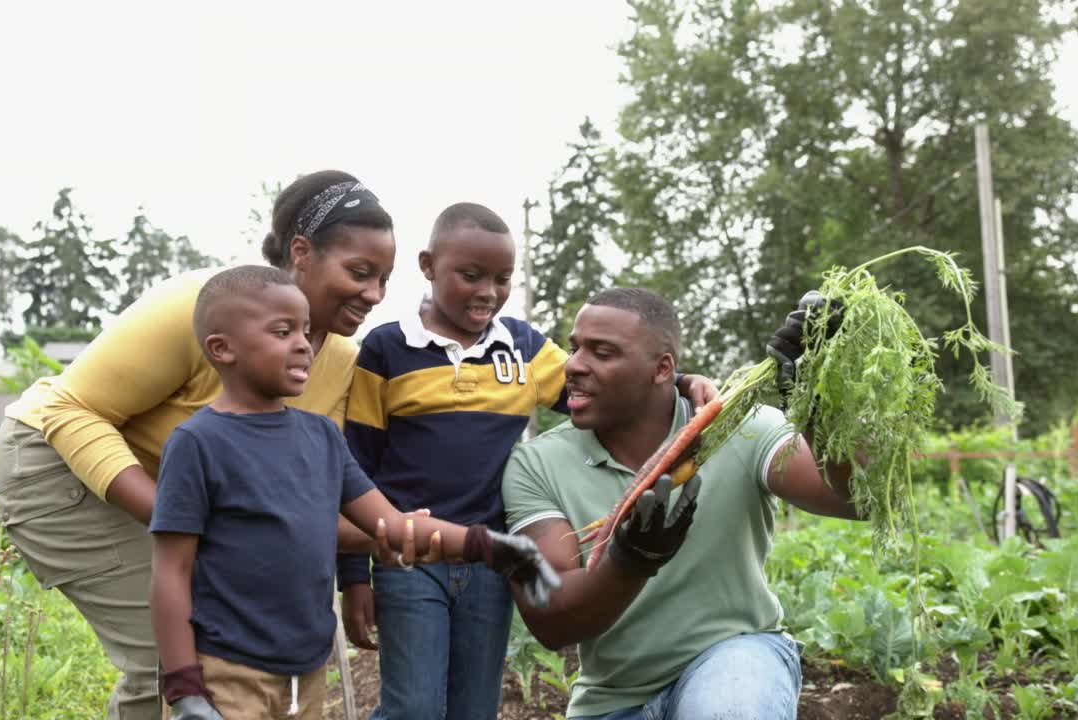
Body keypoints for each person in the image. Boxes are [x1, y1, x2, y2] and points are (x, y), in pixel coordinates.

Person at [0, 170, 422, 720]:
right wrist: (189, 519)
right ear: (302, 251)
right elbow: (70, 409)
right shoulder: (200, 308)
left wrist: (382, 544)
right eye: (360, 273)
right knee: (174, 651)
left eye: (385, 280)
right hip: (52, 463)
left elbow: (307, 496)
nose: (374, 295)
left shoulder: (336, 360)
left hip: (167, 486)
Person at [338, 204, 719, 720]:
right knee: (415, 707)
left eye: (502, 279)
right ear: (428, 266)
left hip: (493, 561)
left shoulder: (521, 347)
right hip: (410, 559)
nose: (488, 292)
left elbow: (602, 386)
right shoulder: (387, 349)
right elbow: (355, 470)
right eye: (470, 276)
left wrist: (677, 383)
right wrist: (354, 578)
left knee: (475, 707)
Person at [149, 266, 560, 720]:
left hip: (303, 675)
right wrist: (185, 687)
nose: (304, 344)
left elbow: (394, 525)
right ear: (221, 349)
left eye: (305, 330)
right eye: (282, 331)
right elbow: (171, 570)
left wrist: (492, 547)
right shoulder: (197, 443)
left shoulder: (321, 436)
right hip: (224, 673)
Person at [502, 288, 861, 720]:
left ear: (663, 369)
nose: (574, 364)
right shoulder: (538, 462)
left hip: (735, 663)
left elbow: (856, 499)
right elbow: (551, 621)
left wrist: (824, 406)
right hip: (613, 699)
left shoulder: (739, 427)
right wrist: (632, 560)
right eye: (576, 347)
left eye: (602, 352)